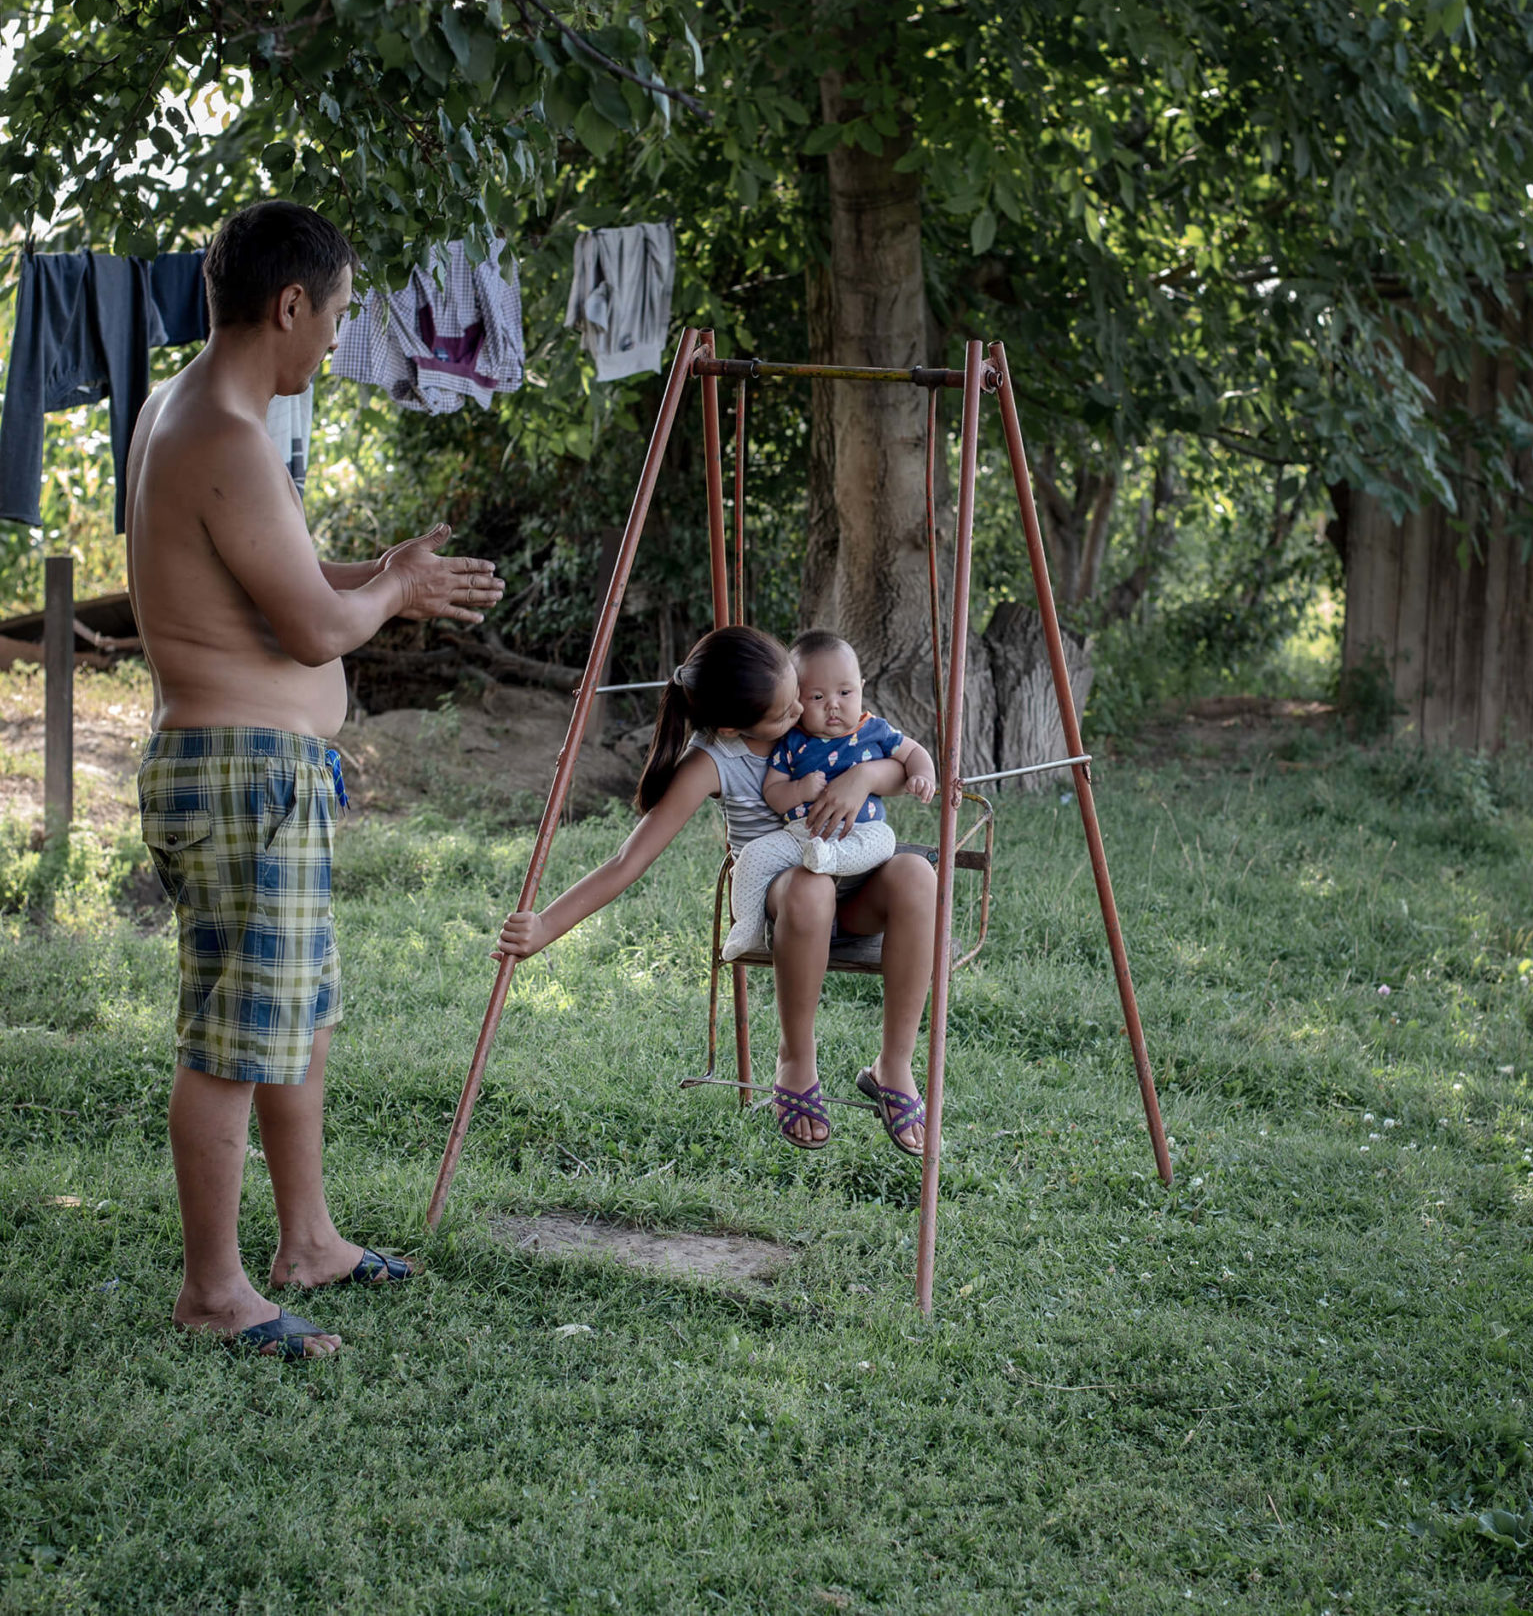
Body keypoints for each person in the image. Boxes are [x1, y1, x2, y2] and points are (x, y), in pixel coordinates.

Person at [126, 200, 505, 1361]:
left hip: (266, 774)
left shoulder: (196, 410)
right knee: (233, 1037)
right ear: (289, 305)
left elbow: (274, 574)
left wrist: (381, 570)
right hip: (244, 775)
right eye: (337, 314)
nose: (337, 341)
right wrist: (388, 598)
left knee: (297, 1018)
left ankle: (309, 1240)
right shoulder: (225, 434)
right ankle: (215, 1290)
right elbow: (308, 627)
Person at [494, 626, 939, 1157]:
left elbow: (896, 759)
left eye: (802, 694)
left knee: (917, 874)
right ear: (734, 724)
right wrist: (545, 926)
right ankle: (797, 1058)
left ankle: (895, 1062)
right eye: (787, 709)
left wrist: (863, 777)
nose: (803, 711)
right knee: (809, 887)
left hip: (861, 888)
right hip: (790, 900)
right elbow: (627, 860)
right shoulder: (714, 760)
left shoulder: (816, 706)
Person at [717, 629, 936, 961]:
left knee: (884, 840)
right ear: (796, 701)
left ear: (862, 687)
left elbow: (913, 752)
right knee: (754, 857)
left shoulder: (873, 729)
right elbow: (773, 793)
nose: (833, 705)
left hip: (860, 832)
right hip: (803, 836)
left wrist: (923, 774)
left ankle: (830, 859)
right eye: (817, 697)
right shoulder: (793, 741)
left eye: (845, 692)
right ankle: (747, 925)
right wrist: (799, 790)